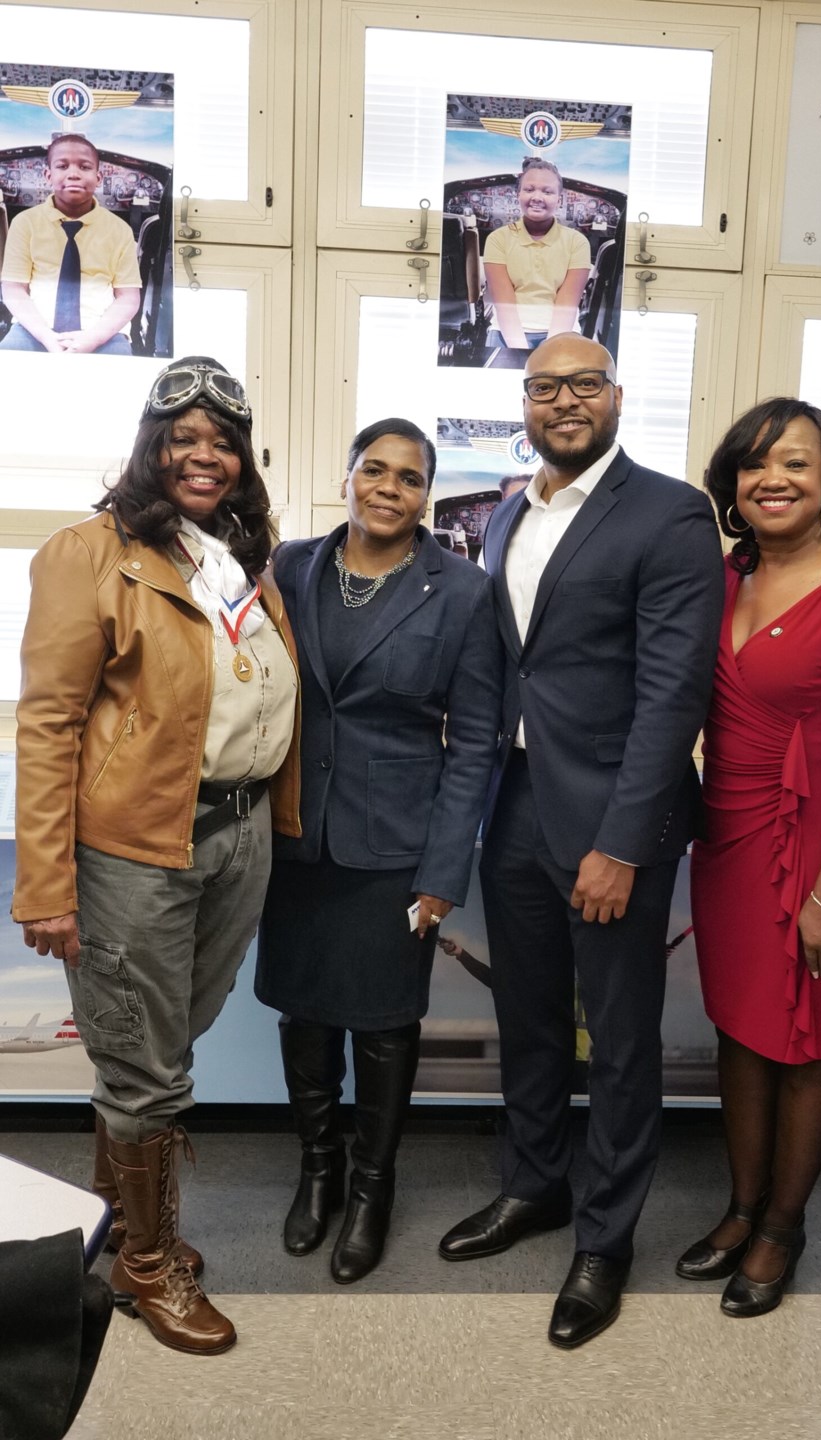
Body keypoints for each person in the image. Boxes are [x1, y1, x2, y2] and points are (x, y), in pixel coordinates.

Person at [438, 333, 725, 1348]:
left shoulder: (671, 513)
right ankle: (535, 1187)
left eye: (584, 384)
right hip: (514, 806)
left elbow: (672, 695)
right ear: (524, 399)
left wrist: (626, 842)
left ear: (615, 397)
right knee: (527, 1018)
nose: (564, 401)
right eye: (545, 385)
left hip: (610, 820)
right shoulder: (513, 509)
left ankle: (606, 1239)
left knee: (620, 1038)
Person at [12, 356, 300, 1354]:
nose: (204, 456)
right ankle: (149, 1265)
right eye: (184, 439)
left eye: (222, 442)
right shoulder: (89, 553)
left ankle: (116, 1221)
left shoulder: (231, 558)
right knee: (147, 1068)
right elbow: (47, 727)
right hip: (137, 850)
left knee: (163, 1040)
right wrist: (46, 886)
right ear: (151, 447)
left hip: (237, 832)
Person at [675, 398, 821, 1318]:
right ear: (734, 486)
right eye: (754, 464)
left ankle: (784, 1225)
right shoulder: (723, 575)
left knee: (806, 1038)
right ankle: (741, 1208)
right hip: (729, 831)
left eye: (796, 465)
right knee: (741, 1026)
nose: (772, 478)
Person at [255, 417, 501, 1284]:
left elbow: (476, 745)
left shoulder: (462, 591)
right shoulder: (293, 566)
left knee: (387, 1025)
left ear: (427, 493)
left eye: (409, 477)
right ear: (349, 474)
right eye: (375, 469)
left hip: (396, 846)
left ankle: (370, 1190)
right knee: (304, 1014)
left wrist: (443, 874)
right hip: (295, 838)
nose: (388, 487)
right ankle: (317, 1173)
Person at [0, 135, 140, 354]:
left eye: (85, 167)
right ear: (48, 175)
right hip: (35, 328)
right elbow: (13, 290)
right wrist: (47, 337)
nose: (73, 173)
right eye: (62, 166)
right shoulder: (25, 224)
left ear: (99, 177)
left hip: (102, 331)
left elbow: (128, 297)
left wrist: (92, 339)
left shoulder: (119, 230)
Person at [483, 158, 591, 353]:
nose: (537, 197)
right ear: (518, 194)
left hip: (562, 333)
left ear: (559, 199)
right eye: (529, 189)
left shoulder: (577, 242)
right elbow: (504, 305)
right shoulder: (497, 239)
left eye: (547, 191)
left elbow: (566, 306)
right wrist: (521, 353)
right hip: (506, 332)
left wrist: (547, 353)